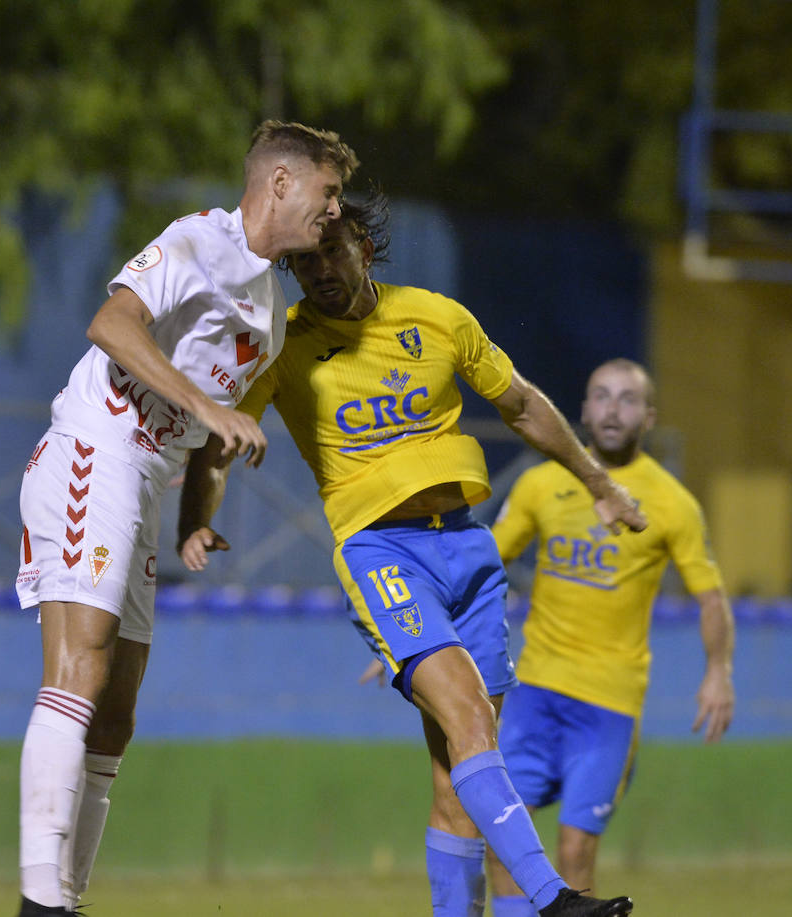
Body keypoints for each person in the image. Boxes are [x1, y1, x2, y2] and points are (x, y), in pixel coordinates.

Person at [178, 192, 644, 917]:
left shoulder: (438, 317)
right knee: (468, 720)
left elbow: (519, 403)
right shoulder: (285, 343)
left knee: (458, 774)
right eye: (304, 262)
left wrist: (597, 481)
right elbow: (219, 437)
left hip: (467, 549)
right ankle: (552, 898)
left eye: (333, 251)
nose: (321, 270)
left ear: (366, 247)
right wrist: (195, 517)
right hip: (381, 552)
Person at [13, 120, 359, 917]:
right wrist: (202, 403)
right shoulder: (198, 241)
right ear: (280, 183)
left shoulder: (269, 311)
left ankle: (68, 893)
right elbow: (112, 323)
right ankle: (40, 902)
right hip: (93, 452)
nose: (333, 212)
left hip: (144, 489)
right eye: (327, 192)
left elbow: (210, 445)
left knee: (119, 710)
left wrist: (195, 518)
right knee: (79, 670)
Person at [485, 358, 736, 917]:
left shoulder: (672, 502)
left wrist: (718, 672)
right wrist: (415, 633)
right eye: (601, 396)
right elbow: (488, 560)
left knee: (575, 851)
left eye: (627, 399)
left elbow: (711, 597)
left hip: (608, 703)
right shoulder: (541, 483)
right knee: (501, 837)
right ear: (582, 410)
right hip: (535, 691)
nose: (612, 409)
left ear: (648, 416)